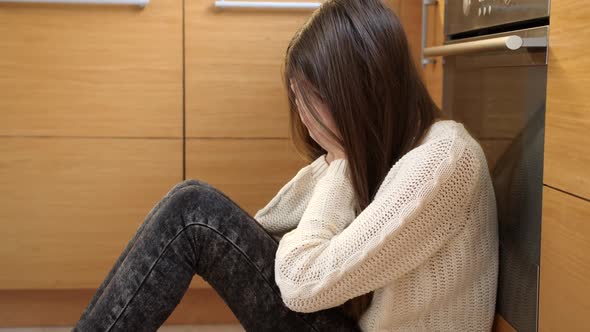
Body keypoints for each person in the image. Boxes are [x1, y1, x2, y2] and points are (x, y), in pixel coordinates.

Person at [73, 0, 499, 331]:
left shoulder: (441, 162)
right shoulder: (392, 144)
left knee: (193, 215)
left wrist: (342, 161)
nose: (305, 118)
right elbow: (264, 227)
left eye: (310, 98)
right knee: (193, 209)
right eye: (296, 98)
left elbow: (298, 282)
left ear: (358, 91)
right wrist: (339, 161)